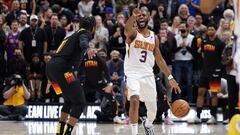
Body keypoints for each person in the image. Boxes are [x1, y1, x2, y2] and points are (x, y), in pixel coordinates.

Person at [124, 5, 181, 135]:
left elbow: (160, 60)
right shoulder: (133, 33)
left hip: (148, 74)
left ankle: (148, 124)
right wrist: (133, 15)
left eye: (144, 15)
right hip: (132, 73)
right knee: (134, 99)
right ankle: (134, 132)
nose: (141, 17)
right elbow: (127, 29)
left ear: (149, 18)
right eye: (139, 15)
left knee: (153, 110)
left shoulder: (154, 37)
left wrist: (171, 78)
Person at [45, 16, 97, 135]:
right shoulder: (85, 33)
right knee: (80, 103)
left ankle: (59, 132)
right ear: (93, 28)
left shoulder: (71, 35)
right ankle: (67, 133)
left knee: (68, 101)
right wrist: (88, 48)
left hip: (51, 70)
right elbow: (84, 41)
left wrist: (50, 81)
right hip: (63, 70)